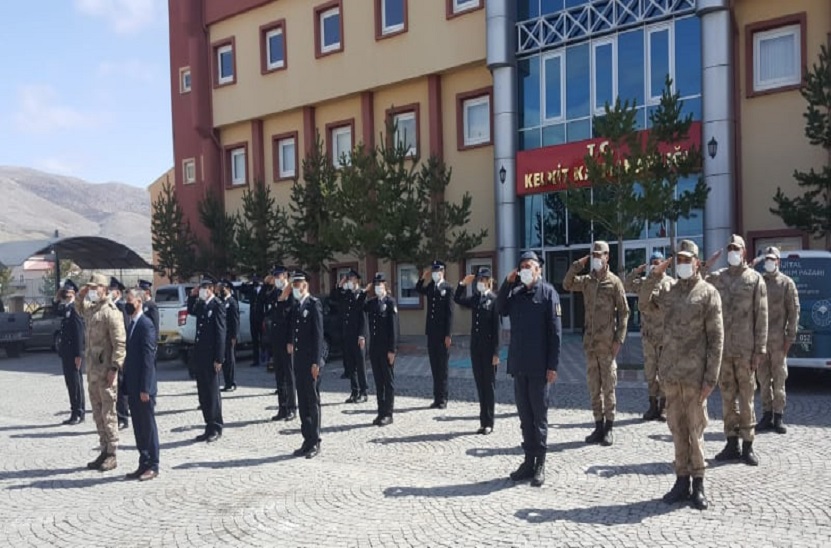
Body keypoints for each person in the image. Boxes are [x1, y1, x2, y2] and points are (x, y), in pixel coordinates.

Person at [641, 240, 723, 511]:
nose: (683, 264)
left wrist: (711, 378)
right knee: (677, 429)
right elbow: (643, 303)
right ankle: (681, 480)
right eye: (679, 260)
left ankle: (698, 483)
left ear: (697, 262)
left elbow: (716, 339)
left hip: (696, 378)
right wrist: (654, 275)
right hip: (672, 376)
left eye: (688, 260)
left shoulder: (708, 293)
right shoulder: (669, 290)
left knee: (696, 431)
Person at [497, 251, 561, 487]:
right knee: (525, 417)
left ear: (538, 270)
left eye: (529, 266)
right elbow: (499, 308)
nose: (525, 269)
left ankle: (540, 463)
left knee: (539, 418)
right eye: (522, 266)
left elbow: (555, 334)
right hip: (519, 366)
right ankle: (528, 461)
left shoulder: (548, 294)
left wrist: (552, 366)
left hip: (539, 367)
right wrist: (507, 281)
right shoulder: (515, 294)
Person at [703, 235, 768, 466]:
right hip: (724, 350)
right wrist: (707, 264)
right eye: (729, 248)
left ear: (743, 253)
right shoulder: (718, 277)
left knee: (747, 398)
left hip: (746, 350)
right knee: (728, 399)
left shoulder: (754, 279)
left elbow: (762, 315)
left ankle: (748, 445)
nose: (732, 252)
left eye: (736, 248)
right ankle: (731, 442)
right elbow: (696, 280)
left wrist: (760, 349)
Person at [563, 241, 630, 446]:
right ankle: (598, 426)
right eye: (593, 255)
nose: (596, 258)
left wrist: (619, 339)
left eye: (599, 255)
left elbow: (625, 312)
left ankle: (609, 428)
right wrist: (577, 264)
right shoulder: (587, 281)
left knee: (609, 387)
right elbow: (567, 284)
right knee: (594, 388)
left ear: (607, 257)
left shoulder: (614, 282)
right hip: (590, 345)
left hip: (607, 345)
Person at [76, 272, 127, 472]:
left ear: (104, 289)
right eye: (90, 287)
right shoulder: (93, 309)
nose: (92, 291)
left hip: (106, 373)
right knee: (97, 413)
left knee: (109, 413)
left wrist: (114, 368)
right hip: (93, 373)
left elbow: (120, 344)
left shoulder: (110, 312)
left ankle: (112, 453)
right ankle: (104, 449)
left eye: (94, 287)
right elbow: (79, 308)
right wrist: (81, 294)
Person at [624, 251, 673, 421]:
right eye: (653, 262)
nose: (655, 265)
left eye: (658, 262)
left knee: (665, 372)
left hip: (664, 336)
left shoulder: (670, 283)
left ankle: (664, 406)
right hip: (648, 336)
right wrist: (635, 272)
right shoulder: (644, 282)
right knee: (651, 373)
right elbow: (626, 286)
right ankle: (652, 405)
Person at [756, 246, 799, 434]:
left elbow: (793, 311)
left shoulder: (786, 283)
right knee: (763, 379)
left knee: (779, 378)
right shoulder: (759, 282)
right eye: (767, 259)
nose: (769, 262)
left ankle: (778, 415)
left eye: (772, 259)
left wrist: (790, 337)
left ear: (778, 262)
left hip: (779, 341)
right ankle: (766, 414)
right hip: (761, 341)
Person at [454, 267, 501, 434]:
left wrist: (496, 353)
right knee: (480, 385)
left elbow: (497, 329)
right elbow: (457, 299)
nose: (479, 283)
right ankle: (483, 422)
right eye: (478, 280)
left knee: (489, 386)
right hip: (476, 348)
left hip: (489, 350)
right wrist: (462, 284)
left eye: (482, 280)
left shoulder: (494, 300)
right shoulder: (475, 299)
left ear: (488, 281)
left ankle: (489, 422)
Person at [122, 288, 160, 482]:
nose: (126, 304)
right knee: (138, 426)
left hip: (144, 387)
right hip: (134, 385)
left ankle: (153, 464)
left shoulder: (146, 325)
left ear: (139, 302)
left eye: (129, 300)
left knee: (148, 426)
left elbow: (147, 359)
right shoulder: (132, 324)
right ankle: (143, 461)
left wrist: (145, 387)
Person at [287, 271, 324, 458]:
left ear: (305, 285)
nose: (294, 287)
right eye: (293, 284)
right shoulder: (296, 306)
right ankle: (306, 438)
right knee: (302, 401)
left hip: (311, 362)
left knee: (312, 401)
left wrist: (316, 362)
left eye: (297, 284)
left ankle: (315, 441)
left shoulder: (313, 304)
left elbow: (318, 336)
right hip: (299, 361)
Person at [188, 276, 226, 443]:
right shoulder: (202, 305)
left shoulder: (217, 305)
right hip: (200, 355)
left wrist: (219, 358)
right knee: (203, 393)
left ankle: (216, 426)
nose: (202, 290)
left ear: (211, 288)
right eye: (200, 287)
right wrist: (192, 296)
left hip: (211, 357)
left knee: (212, 393)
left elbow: (220, 333)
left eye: (204, 288)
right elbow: (191, 310)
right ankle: (208, 425)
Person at [415, 260, 455, 409]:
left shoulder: (448, 288)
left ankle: (443, 398)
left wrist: (448, 334)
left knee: (442, 367)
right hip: (431, 332)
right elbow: (419, 289)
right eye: (433, 272)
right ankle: (436, 397)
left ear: (442, 272)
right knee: (434, 365)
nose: (434, 274)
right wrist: (422, 277)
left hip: (442, 333)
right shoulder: (431, 286)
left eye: (436, 271)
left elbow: (450, 314)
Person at [364, 273, 399, 426]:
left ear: (385, 285)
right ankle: (380, 412)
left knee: (388, 381)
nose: (378, 287)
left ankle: (388, 413)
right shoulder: (372, 303)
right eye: (376, 284)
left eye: (380, 284)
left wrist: (392, 350)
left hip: (386, 349)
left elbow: (394, 328)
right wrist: (366, 290)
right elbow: (360, 305)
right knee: (379, 382)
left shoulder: (390, 302)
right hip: (375, 348)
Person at [331, 269, 369, 403]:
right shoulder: (346, 294)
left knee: (360, 364)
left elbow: (363, 317)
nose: (349, 281)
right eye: (348, 279)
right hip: (347, 334)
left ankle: (364, 392)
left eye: (351, 279)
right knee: (350, 365)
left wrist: (362, 335)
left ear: (357, 280)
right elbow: (334, 296)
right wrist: (340, 284)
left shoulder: (361, 295)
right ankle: (355, 391)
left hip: (358, 335)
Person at [55, 280, 85, 425]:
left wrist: (79, 354)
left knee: (75, 383)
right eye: (64, 292)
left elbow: (79, 333)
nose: (65, 294)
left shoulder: (75, 309)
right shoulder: (66, 308)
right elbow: (55, 308)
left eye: (67, 292)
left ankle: (78, 412)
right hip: (66, 353)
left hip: (74, 353)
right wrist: (58, 296)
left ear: (73, 293)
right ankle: (74, 410)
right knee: (70, 383)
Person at [268, 267, 297, 421]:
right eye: (274, 276)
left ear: (285, 276)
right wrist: (268, 285)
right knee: (279, 375)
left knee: (289, 375)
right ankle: (282, 407)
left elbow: (292, 319)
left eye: (278, 276)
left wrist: (291, 340)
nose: (276, 279)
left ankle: (292, 407)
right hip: (276, 340)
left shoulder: (291, 293)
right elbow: (263, 302)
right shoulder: (275, 292)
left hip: (287, 340)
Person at [108, 276, 131, 431]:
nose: (109, 292)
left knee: (121, 385)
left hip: (120, 351)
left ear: (118, 292)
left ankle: (123, 417)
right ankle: (117, 415)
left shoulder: (121, 307)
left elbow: (125, 330)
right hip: (110, 350)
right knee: (114, 386)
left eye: (112, 290)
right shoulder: (110, 306)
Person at [219, 280, 240, 392]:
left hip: (229, 334)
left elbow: (235, 320)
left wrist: (234, 336)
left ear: (229, 289)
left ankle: (232, 382)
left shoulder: (232, 302)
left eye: (224, 288)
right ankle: (226, 382)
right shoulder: (221, 301)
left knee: (230, 359)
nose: (222, 290)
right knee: (224, 359)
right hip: (222, 334)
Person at [249, 275, 265, 367]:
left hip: (261, 318)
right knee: (254, 340)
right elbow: (243, 289)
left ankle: (264, 356)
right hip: (253, 318)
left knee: (264, 339)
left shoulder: (263, 290)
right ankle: (256, 359)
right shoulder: (252, 290)